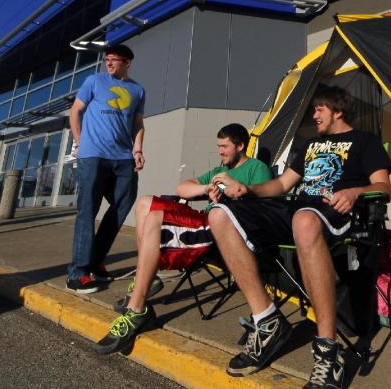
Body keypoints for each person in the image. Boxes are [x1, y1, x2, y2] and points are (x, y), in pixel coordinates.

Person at [207, 85, 391, 388]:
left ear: (338, 111)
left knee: (305, 221)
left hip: (337, 213)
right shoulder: (309, 144)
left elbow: (384, 187)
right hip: (296, 211)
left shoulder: (364, 142)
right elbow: (281, 186)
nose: (314, 114)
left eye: (320, 108)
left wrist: (354, 192)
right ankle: (267, 321)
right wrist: (247, 189)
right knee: (219, 214)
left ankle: (328, 353)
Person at [94, 123, 272, 355]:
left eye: (224, 147)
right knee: (145, 203)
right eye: (218, 147)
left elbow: (264, 204)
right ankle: (143, 281)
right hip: (204, 219)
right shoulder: (219, 170)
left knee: (156, 218)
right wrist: (208, 188)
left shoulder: (256, 168)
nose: (220, 152)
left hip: (221, 228)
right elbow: (182, 189)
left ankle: (137, 309)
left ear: (240, 146)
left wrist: (237, 192)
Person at [67, 44, 146, 293]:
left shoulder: (137, 90)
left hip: (123, 157)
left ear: (127, 63)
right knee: (87, 211)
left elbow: (138, 124)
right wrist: (80, 142)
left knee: (124, 203)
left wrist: (138, 150)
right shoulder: (94, 81)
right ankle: (77, 274)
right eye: (107, 59)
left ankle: (95, 260)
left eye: (115, 60)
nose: (109, 63)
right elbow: (75, 112)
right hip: (93, 155)